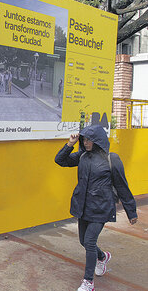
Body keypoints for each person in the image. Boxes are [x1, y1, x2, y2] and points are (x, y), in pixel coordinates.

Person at [55, 124, 138, 291]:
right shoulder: (82, 156)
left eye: (89, 140)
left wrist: (131, 211)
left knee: (90, 242)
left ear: (99, 140)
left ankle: (88, 282)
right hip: (83, 206)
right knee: (83, 241)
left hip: (101, 207)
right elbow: (60, 160)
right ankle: (103, 257)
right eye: (84, 139)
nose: (86, 143)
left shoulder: (112, 159)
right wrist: (70, 144)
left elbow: (122, 186)